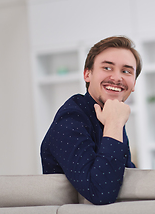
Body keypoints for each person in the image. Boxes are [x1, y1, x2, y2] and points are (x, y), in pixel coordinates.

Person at [41, 36, 142, 205]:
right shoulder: (71, 118)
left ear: (134, 84)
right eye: (107, 67)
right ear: (87, 74)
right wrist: (115, 125)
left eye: (126, 71)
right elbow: (101, 192)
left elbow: (126, 176)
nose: (117, 78)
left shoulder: (109, 114)